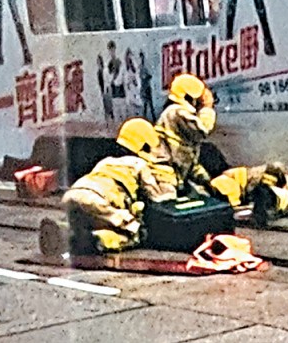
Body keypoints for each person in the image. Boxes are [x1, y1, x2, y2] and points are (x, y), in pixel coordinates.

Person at [60, 118, 176, 254]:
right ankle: (96, 240)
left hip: (72, 194)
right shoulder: (139, 164)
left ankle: (64, 231)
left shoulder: (106, 162)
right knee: (134, 232)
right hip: (98, 200)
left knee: (87, 221)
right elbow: (157, 197)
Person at [155, 73, 216, 196]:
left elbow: (186, 153)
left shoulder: (173, 112)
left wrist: (205, 180)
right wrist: (207, 107)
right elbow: (202, 130)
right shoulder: (176, 112)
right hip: (166, 175)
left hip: (175, 172)